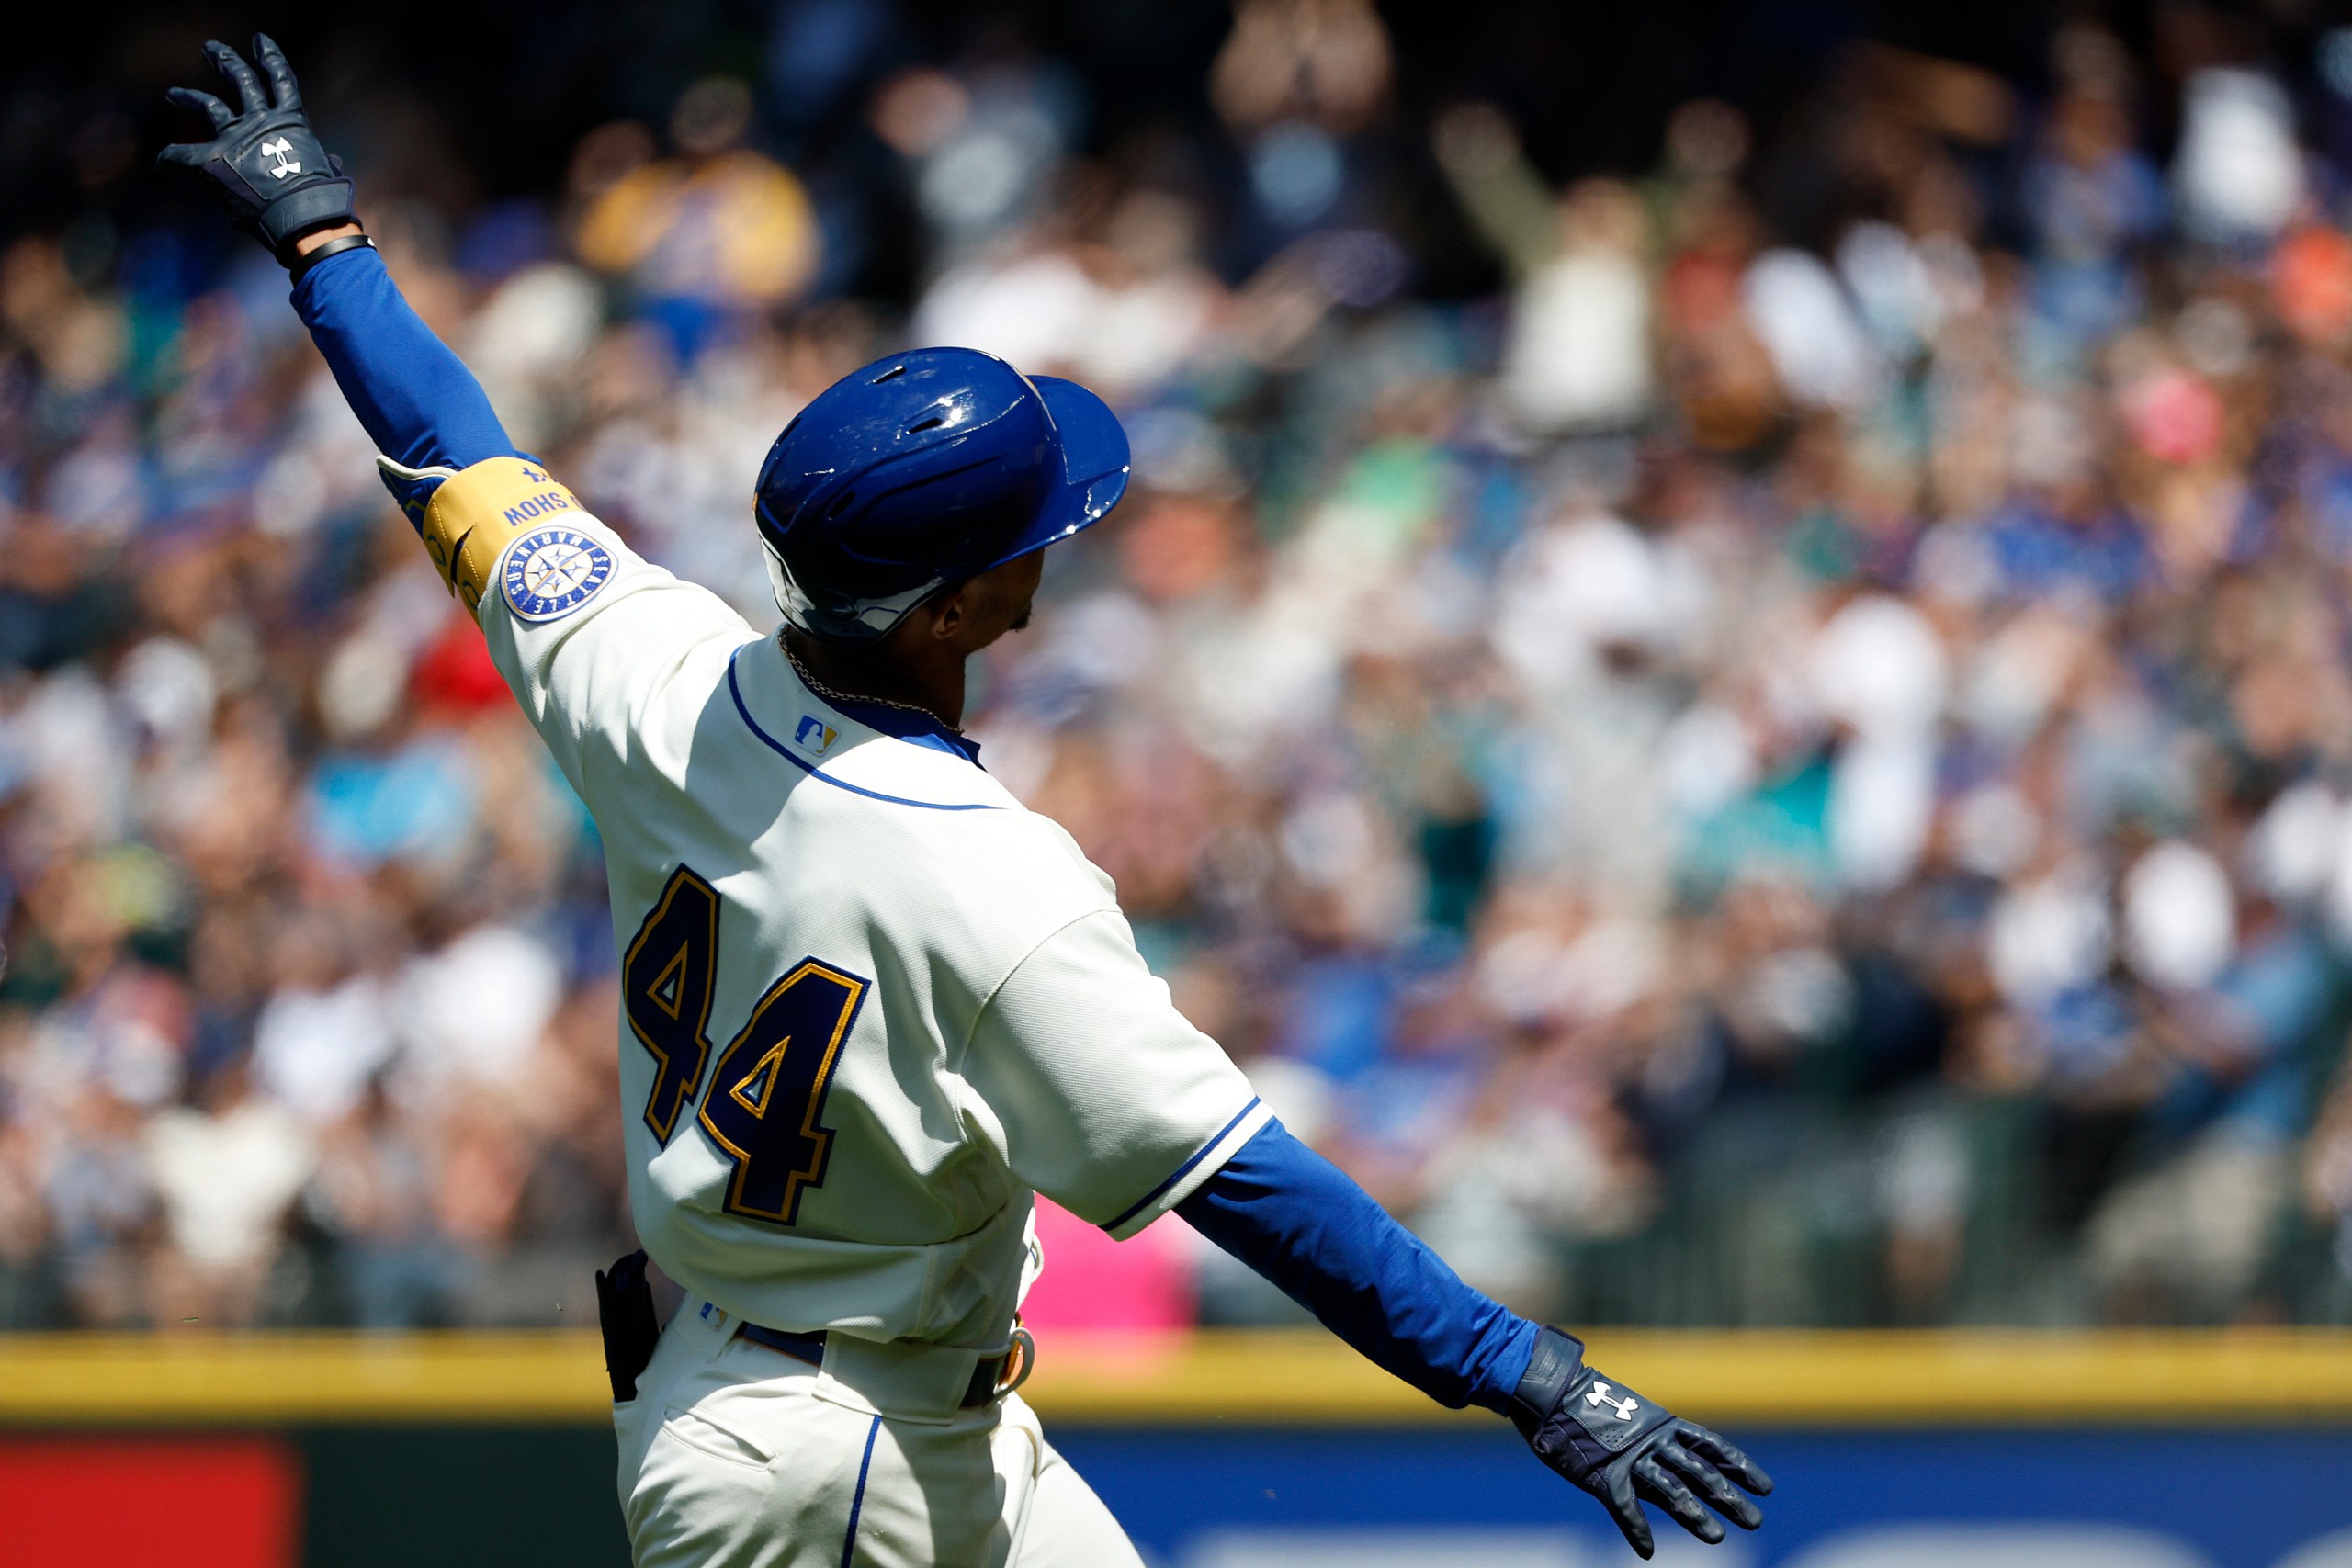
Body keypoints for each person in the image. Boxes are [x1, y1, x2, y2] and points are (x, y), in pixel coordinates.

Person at [160, 39, 1772, 1568]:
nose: (1049, 545)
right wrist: (1533, 1379)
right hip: (815, 1448)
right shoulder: (993, 884)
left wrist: (326, 242)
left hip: (884, 1412)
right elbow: (1250, 1185)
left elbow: (450, 451)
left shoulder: (642, 671)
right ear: (954, 605)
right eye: (1027, 531)